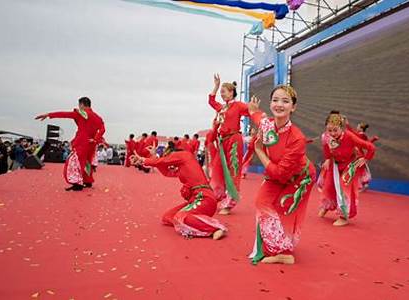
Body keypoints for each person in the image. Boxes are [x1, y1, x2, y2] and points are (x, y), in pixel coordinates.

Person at [247, 86, 316, 265]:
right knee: (262, 203)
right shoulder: (267, 124)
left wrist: (259, 150)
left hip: (300, 177)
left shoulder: (297, 139)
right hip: (275, 171)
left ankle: (283, 252)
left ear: (293, 107)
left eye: (285, 101)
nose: (279, 105)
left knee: (284, 207)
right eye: (275, 100)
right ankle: (279, 246)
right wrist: (253, 111)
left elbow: (280, 174)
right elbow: (257, 117)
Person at [132, 141, 227, 239]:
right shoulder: (182, 166)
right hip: (195, 200)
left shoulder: (183, 155)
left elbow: (163, 162)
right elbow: (166, 172)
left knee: (180, 216)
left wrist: (144, 160)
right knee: (168, 217)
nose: (169, 161)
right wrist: (153, 156)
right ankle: (197, 221)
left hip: (204, 198)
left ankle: (215, 228)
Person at [35, 96, 105, 191]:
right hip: (91, 143)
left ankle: (77, 184)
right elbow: (102, 129)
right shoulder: (98, 117)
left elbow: (65, 114)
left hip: (81, 141)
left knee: (75, 162)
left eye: (79, 104)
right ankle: (87, 181)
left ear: (81, 104)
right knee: (87, 162)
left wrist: (48, 114)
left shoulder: (81, 113)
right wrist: (95, 139)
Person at [318, 113, 376, 226]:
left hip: (349, 166)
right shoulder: (326, 137)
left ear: (341, 128)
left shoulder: (349, 136)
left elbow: (371, 147)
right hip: (335, 164)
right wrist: (327, 159)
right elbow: (326, 149)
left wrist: (366, 158)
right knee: (329, 186)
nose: (332, 133)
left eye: (335, 130)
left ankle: (343, 216)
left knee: (344, 188)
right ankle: (327, 207)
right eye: (329, 130)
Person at [208, 74, 250, 214]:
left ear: (232, 92)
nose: (222, 94)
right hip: (222, 141)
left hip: (234, 140)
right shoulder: (223, 108)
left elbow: (252, 111)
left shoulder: (238, 106)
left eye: (224, 91)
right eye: (221, 92)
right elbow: (211, 102)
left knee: (234, 170)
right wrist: (216, 86)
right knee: (218, 168)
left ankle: (230, 201)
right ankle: (218, 195)